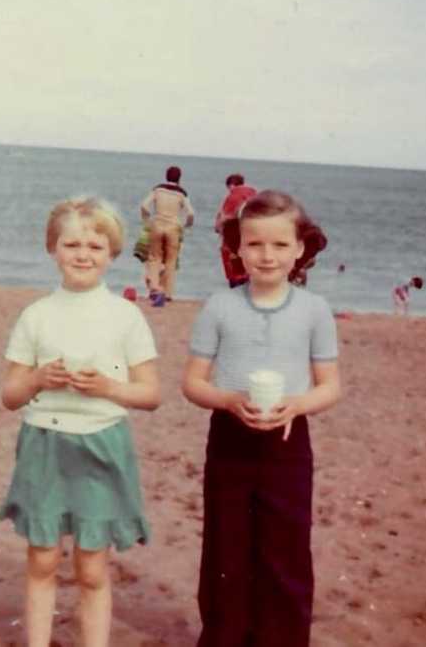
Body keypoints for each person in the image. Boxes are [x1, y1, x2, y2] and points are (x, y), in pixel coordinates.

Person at [182, 190, 342, 647]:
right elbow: (192, 383)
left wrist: (298, 404)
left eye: (278, 244)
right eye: (254, 244)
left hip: (289, 441)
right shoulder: (219, 306)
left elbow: (330, 386)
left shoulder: (315, 311)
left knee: (285, 550)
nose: (266, 255)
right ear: (237, 248)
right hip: (229, 437)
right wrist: (228, 401)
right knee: (225, 548)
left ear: (300, 249)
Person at [0, 196, 161, 646]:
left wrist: (107, 388)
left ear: (112, 253)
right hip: (45, 442)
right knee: (43, 560)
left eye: (95, 245)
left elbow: (150, 393)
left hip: (102, 442)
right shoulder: (36, 315)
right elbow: (10, 396)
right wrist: (36, 378)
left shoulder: (125, 315)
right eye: (72, 244)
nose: (83, 254)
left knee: (92, 567)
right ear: (53, 248)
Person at [140, 165, 195, 304]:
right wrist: (186, 225)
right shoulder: (182, 193)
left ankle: (154, 289)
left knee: (154, 258)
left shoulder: (158, 189)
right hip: (173, 227)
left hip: (157, 224)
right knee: (171, 261)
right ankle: (167, 293)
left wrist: (147, 220)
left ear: (166, 176)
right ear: (179, 178)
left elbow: (144, 205)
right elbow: (191, 213)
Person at [214, 173, 257, 288]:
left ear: (231, 185)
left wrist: (218, 227)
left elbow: (223, 218)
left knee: (232, 269)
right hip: (252, 237)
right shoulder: (254, 195)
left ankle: (235, 292)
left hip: (233, 237)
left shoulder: (233, 196)